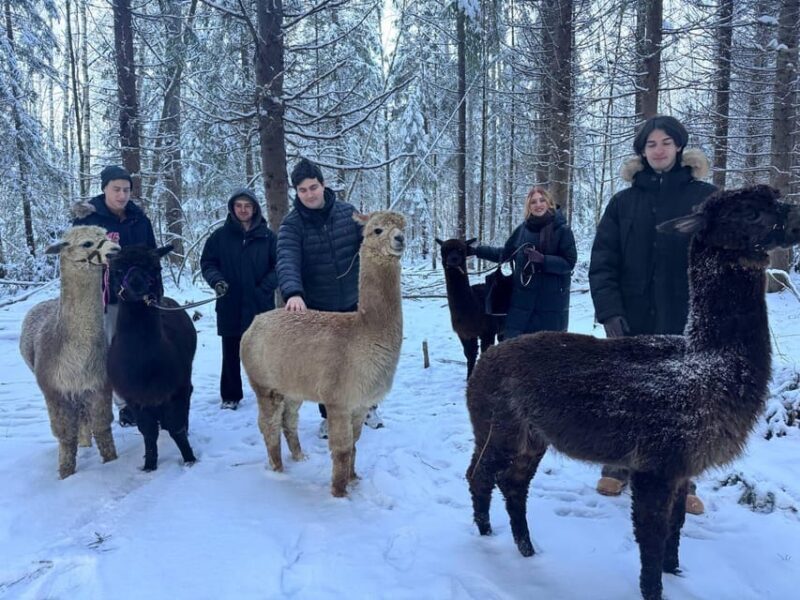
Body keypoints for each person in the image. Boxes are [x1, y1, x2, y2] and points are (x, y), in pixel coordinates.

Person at [589, 115, 717, 515]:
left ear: (679, 147)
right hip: (631, 319)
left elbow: (721, 258)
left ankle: (682, 480)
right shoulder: (623, 202)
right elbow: (603, 261)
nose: (658, 150)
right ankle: (619, 464)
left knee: (684, 402)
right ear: (642, 152)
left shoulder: (706, 198)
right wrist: (609, 311)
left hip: (686, 319)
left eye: (665, 142)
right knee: (626, 394)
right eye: (651, 144)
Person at [277, 157, 382, 438]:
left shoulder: (347, 213)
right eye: (302, 190)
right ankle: (330, 415)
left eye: (313, 187)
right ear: (296, 192)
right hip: (319, 309)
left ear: (323, 185)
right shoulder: (292, 225)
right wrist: (294, 293)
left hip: (353, 302)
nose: (309, 194)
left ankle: (367, 406)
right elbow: (287, 260)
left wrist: (377, 230)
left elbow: (372, 243)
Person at [72, 165, 156, 428]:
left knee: (140, 349)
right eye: (116, 189)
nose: (122, 195)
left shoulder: (139, 219)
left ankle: (145, 398)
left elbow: (152, 257)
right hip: (103, 298)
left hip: (137, 297)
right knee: (111, 349)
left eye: (126, 189)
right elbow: (75, 260)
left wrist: (155, 292)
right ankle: (123, 405)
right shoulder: (88, 220)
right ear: (104, 189)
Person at [201, 188, 278, 410]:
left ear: (254, 209)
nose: (243, 210)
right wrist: (217, 281)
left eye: (247, 206)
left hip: (260, 305)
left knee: (264, 352)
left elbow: (280, 265)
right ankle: (230, 396)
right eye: (239, 206)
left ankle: (268, 391)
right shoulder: (219, 236)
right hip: (229, 303)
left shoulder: (267, 236)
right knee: (231, 351)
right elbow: (208, 263)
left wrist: (264, 288)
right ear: (233, 208)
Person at [471, 186, 577, 339]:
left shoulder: (562, 230)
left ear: (549, 203)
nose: (538, 205)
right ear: (529, 206)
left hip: (551, 305)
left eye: (542, 200)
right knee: (516, 353)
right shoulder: (522, 230)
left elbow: (569, 262)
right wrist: (476, 251)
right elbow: (505, 254)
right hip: (521, 305)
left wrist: (543, 260)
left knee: (547, 354)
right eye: (533, 202)